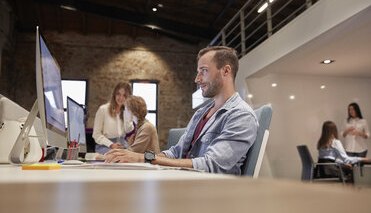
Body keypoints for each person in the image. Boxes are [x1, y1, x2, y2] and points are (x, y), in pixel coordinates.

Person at [105, 46, 258, 175]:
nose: (197, 79)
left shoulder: (241, 115)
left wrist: (144, 158)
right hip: (184, 182)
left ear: (226, 71)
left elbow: (212, 165)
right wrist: (144, 157)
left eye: (203, 71)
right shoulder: (201, 114)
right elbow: (175, 152)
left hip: (210, 195)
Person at [93, 82, 134, 155]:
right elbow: (96, 134)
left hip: (122, 145)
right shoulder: (103, 109)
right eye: (118, 94)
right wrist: (111, 144)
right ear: (114, 94)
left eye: (124, 95)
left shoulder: (127, 111)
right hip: (105, 146)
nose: (121, 98)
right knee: (115, 157)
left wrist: (127, 111)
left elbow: (128, 129)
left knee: (132, 157)